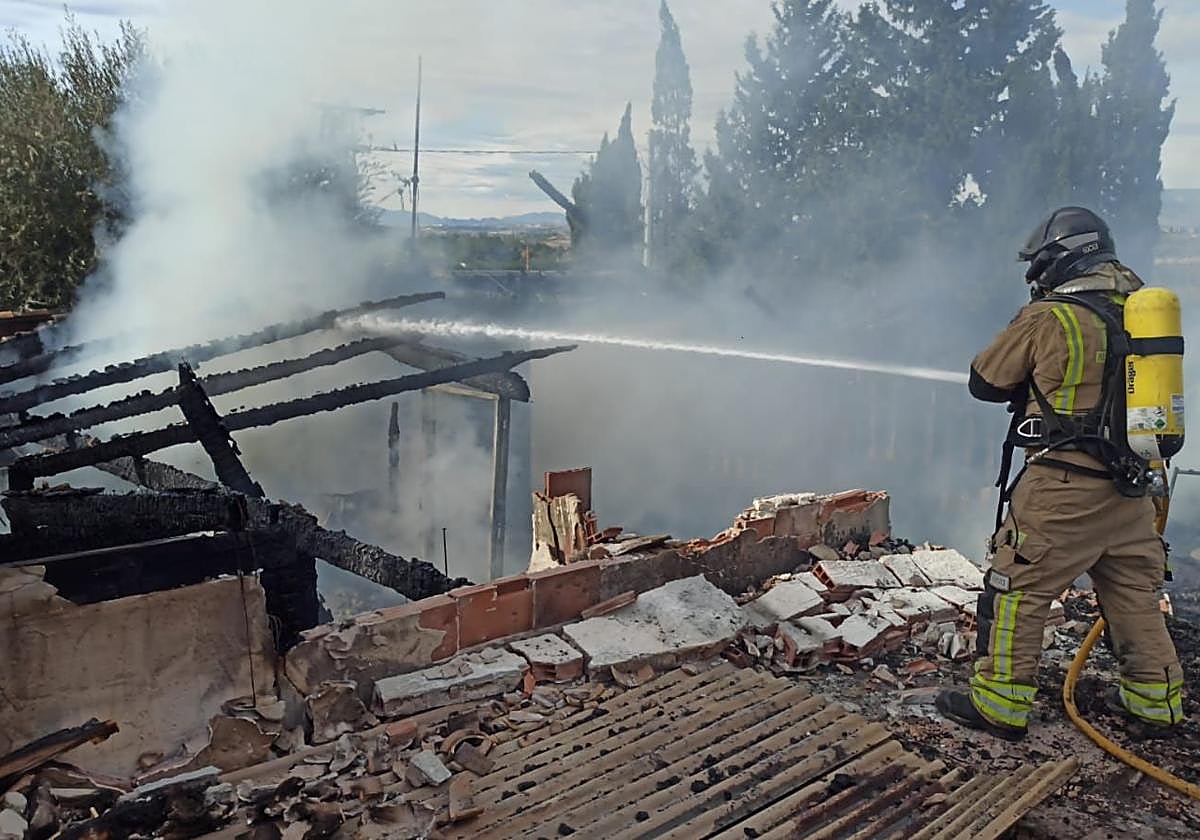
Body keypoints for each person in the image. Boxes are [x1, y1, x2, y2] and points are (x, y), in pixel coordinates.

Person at [935, 207, 1184, 741]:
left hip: (1064, 489)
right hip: (1133, 488)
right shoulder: (1139, 313)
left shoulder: (1052, 316)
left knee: (1015, 588)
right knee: (1133, 596)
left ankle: (1000, 704)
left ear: (1062, 259)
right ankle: (1156, 703)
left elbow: (985, 380)